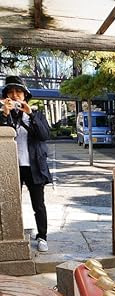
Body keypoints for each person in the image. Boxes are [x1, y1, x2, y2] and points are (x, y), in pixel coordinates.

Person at [0, 75, 52, 252]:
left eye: (18, 91)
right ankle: (12, 235)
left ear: (25, 95)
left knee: (38, 204)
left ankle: (42, 236)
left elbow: (45, 136)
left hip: (34, 166)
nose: (15, 95)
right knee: (11, 202)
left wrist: (30, 113)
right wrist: (5, 114)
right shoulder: (3, 113)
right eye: (10, 92)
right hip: (11, 167)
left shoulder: (36, 114)